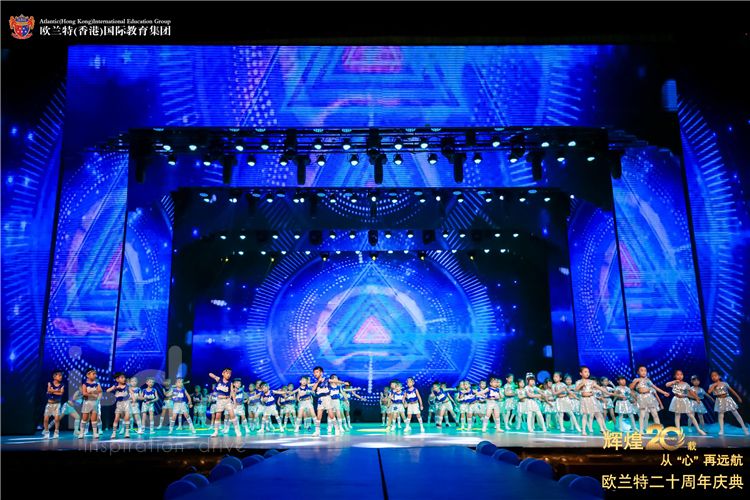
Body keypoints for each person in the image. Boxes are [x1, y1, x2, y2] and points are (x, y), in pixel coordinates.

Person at [630, 365, 670, 433]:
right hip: (641, 398)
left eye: (645, 371)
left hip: (649, 397)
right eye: (641, 370)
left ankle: (660, 430)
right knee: (642, 415)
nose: (644, 372)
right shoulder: (636, 380)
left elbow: (655, 388)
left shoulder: (648, 380)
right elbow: (631, 388)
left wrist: (664, 392)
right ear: (638, 372)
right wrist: (636, 381)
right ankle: (641, 430)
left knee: (655, 414)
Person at [665, 369, 706, 436]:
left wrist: (697, 398)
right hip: (677, 400)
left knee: (690, 415)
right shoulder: (674, 383)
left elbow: (691, 392)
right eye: (678, 375)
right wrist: (673, 381)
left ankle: (698, 429)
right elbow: (666, 385)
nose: (680, 376)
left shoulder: (686, 384)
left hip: (684, 400)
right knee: (677, 415)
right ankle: (678, 431)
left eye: (681, 374)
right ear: (675, 376)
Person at [708, 370, 749, 435]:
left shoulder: (724, 383)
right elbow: (709, 392)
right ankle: (721, 430)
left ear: (719, 376)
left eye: (715, 375)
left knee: (735, 413)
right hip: (719, 400)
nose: (713, 377)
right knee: (721, 415)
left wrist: (738, 397)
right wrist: (714, 385)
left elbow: (732, 391)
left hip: (727, 398)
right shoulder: (711, 385)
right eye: (712, 376)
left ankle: (744, 427)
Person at [208, 368, 242, 437]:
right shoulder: (219, 380)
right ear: (223, 373)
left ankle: (237, 430)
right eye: (227, 373)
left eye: (230, 373)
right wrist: (215, 377)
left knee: (232, 415)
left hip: (227, 400)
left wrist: (234, 402)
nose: (229, 375)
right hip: (219, 401)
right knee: (217, 416)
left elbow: (232, 393)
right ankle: (216, 431)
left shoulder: (230, 383)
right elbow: (210, 374)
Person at [576, 366, 609, 435]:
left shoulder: (591, 382)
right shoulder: (578, 382)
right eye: (585, 372)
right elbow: (576, 389)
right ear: (581, 373)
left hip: (592, 400)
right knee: (585, 415)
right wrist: (582, 384)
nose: (587, 373)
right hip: (584, 400)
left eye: (588, 372)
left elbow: (600, 388)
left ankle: (602, 428)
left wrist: (608, 393)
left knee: (597, 413)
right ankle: (583, 430)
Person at [311, 366, 342, 436]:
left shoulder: (326, 379)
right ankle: (317, 431)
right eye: (314, 373)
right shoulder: (316, 382)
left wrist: (343, 382)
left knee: (331, 415)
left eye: (317, 372)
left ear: (321, 373)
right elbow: (313, 389)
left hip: (327, 398)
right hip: (320, 399)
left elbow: (334, 381)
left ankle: (337, 429)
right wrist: (318, 382)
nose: (315, 374)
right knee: (318, 416)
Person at [106, 372, 132, 439]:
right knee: (116, 418)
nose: (124, 379)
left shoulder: (127, 386)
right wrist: (113, 388)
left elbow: (131, 392)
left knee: (127, 417)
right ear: (117, 379)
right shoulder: (115, 386)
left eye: (124, 377)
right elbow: (107, 391)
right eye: (122, 378)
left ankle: (127, 432)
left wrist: (133, 398)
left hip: (126, 403)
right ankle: (114, 432)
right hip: (119, 404)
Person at [78, 369, 102, 439]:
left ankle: (95, 433)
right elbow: (84, 393)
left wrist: (98, 398)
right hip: (87, 402)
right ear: (87, 375)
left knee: (94, 419)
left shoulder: (97, 384)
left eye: (95, 374)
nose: (95, 375)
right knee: (84, 418)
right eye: (93, 374)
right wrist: (93, 394)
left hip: (94, 403)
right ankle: (81, 433)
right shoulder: (85, 384)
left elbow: (100, 392)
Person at [42, 370, 65, 439]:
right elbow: (49, 391)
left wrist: (53, 391)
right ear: (54, 376)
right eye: (59, 375)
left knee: (57, 419)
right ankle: (46, 432)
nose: (61, 377)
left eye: (61, 376)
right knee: (45, 419)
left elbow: (61, 393)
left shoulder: (62, 385)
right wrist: (57, 390)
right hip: (49, 404)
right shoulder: (50, 383)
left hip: (57, 404)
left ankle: (56, 432)